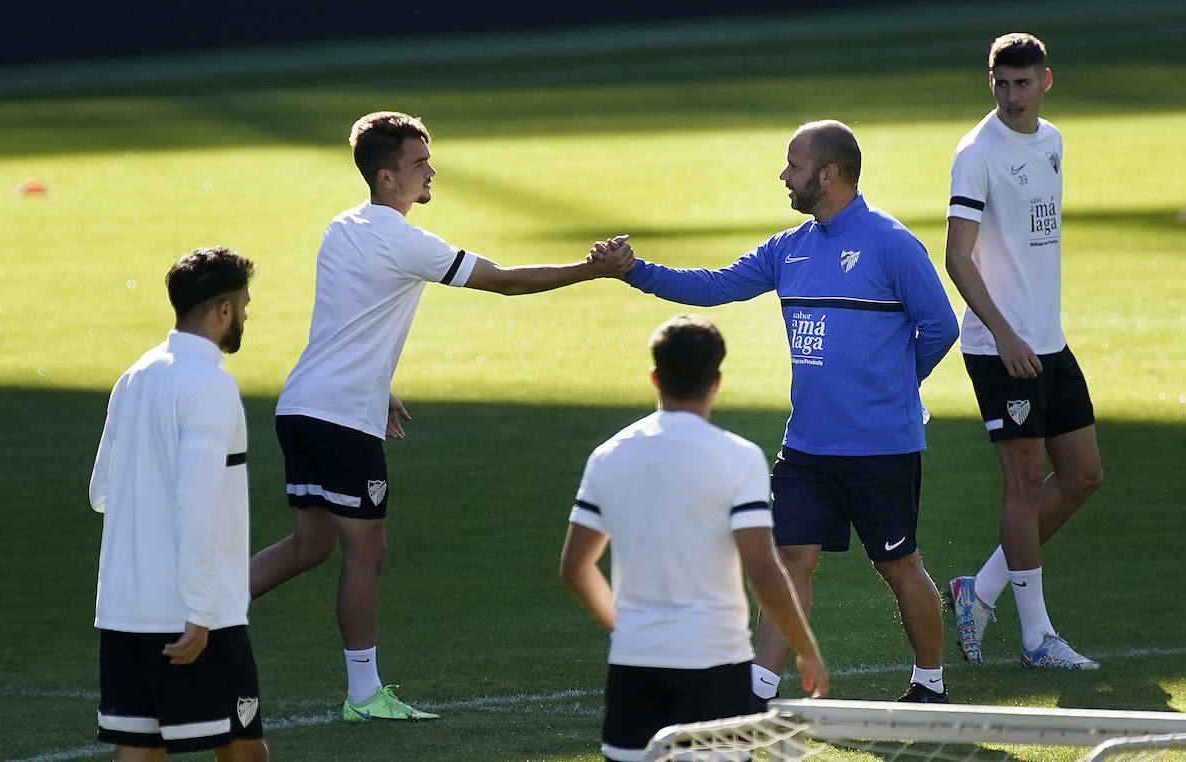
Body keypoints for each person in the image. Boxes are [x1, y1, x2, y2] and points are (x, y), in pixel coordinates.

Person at [247, 111, 636, 722]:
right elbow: (504, 281)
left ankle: (199, 615)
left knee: (310, 544)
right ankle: (364, 696)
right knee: (364, 554)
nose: (431, 171)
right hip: (341, 418)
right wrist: (592, 269)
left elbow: (350, 318)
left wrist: (380, 389)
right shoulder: (402, 239)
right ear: (386, 177)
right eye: (419, 164)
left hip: (303, 407)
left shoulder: (341, 227)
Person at [600, 121, 960, 703]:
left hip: (880, 446)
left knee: (898, 564)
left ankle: (930, 684)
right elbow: (713, 286)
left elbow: (941, 326)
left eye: (793, 165)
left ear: (828, 173)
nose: (784, 175)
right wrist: (635, 272)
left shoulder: (891, 244)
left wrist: (891, 387)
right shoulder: (788, 248)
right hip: (807, 448)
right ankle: (760, 689)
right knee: (789, 559)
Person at [560, 315, 829, 762]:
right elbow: (762, 568)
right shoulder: (738, 458)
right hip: (716, 663)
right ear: (716, 381)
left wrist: (625, 627)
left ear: (655, 377)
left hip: (635, 662)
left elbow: (575, 569)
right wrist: (806, 650)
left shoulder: (608, 455)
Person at [943, 33, 1104, 670]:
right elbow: (958, 255)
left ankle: (977, 590)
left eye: (1023, 83)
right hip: (997, 346)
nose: (1012, 96)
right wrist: (1004, 335)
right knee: (1022, 484)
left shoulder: (1054, 142)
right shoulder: (976, 154)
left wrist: (1031, 332)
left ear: (1045, 81)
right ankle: (1036, 638)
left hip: (1047, 342)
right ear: (991, 84)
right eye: (1001, 84)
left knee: (1083, 475)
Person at [89, 247, 268, 761]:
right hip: (193, 613)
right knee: (243, 750)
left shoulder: (135, 376)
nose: (246, 316)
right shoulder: (211, 385)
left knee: (138, 749)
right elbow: (195, 502)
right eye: (245, 305)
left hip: (124, 610)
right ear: (224, 310)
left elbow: (100, 492)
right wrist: (198, 609)